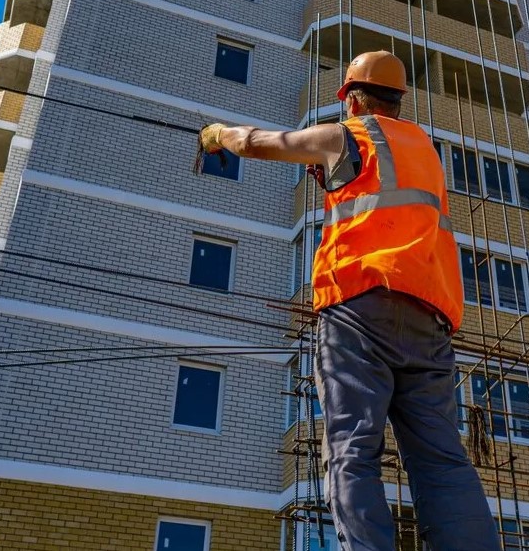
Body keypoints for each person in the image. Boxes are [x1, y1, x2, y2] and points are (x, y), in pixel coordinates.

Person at [198, 51, 501, 551]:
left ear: (353, 98)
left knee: (353, 448)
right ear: (399, 100)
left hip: (359, 307)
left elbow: (262, 143)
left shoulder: (348, 134)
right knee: (442, 458)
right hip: (429, 315)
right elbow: (388, 195)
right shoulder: (424, 148)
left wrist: (217, 133)